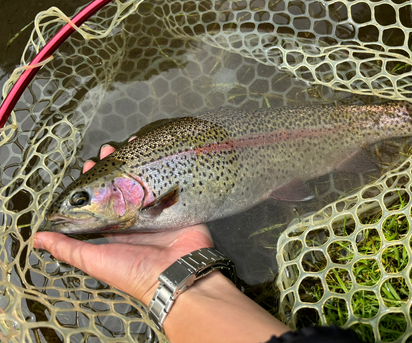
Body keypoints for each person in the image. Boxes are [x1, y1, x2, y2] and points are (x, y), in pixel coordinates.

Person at [33, 145, 361, 343]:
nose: (74, 210)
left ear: (123, 187)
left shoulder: (154, 200)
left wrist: (167, 289)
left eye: (81, 199)